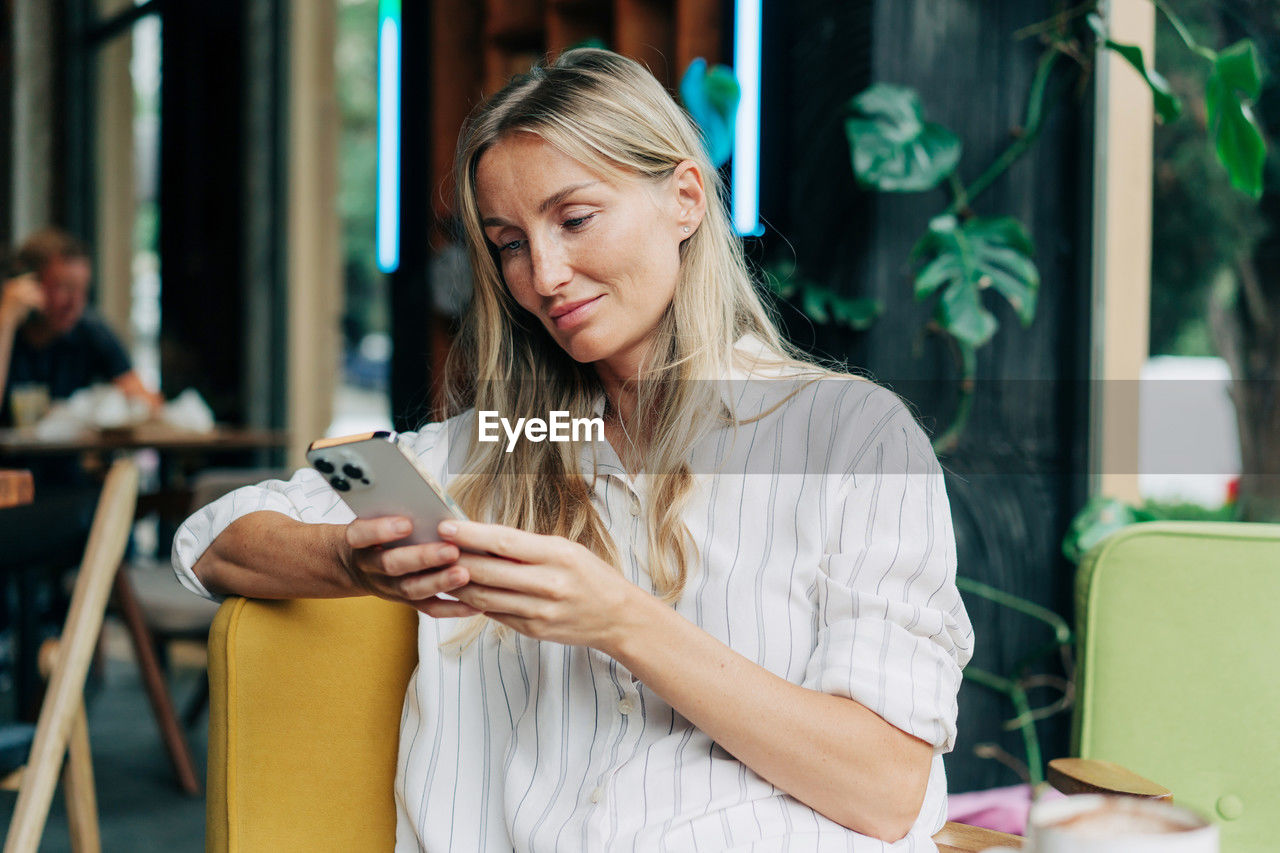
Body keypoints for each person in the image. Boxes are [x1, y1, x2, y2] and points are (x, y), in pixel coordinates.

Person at [173, 49, 973, 851]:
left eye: (575, 218)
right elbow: (214, 540)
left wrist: (623, 621)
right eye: (509, 243)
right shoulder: (509, 441)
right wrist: (354, 561)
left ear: (685, 198)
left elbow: (886, 788)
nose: (544, 276)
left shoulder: (849, 436)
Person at [0, 227, 161, 426]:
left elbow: (150, 403)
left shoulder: (89, 329)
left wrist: (110, 406)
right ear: (26, 283)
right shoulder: (6, 326)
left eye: (82, 289)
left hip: (62, 456)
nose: (75, 303)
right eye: (64, 287)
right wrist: (6, 322)